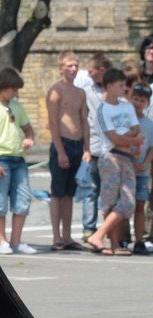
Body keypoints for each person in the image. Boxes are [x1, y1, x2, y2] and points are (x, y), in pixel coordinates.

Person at [0, 67, 37, 255]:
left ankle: (16, 241)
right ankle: (2, 241)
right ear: (2, 87)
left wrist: (29, 138)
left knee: (22, 200)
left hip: (19, 159)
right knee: (0, 200)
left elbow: (28, 128)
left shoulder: (16, 106)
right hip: (0, 158)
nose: (15, 93)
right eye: (13, 89)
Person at [85, 68, 142, 255]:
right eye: (120, 85)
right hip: (110, 157)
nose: (124, 88)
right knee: (110, 202)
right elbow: (113, 138)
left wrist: (127, 138)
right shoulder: (102, 110)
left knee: (127, 202)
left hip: (127, 158)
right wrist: (131, 140)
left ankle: (98, 235)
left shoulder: (126, 105)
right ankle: (113, 244)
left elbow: (136, 128)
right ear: (109, 86)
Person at [46, 51, 91, 251]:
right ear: (61, 68)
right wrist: (60, 151)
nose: (74, 69)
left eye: (76, 65)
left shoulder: (81, 93)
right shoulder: (55, 91)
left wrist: (87, 149)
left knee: (69, 194)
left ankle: (67, 236)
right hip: (61, 143)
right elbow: (53, 123)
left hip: (77, 144)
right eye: (70, 65)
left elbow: (84, 122)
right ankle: (57, 236)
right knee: (57, 192)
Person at [80, 53, 110, 241]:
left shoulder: (114, 90)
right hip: (94, 146)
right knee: (91, 190)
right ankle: (89, 228)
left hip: (112, 148)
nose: (88, 74)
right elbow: (84, 119)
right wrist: (86, 148)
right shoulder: (87, 92)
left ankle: (109, 230)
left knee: (110, 191)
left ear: (102, 70)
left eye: (91, 70)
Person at [129, 81, 153, 254]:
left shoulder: (149, 124)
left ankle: (138, 240)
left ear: (147, 104)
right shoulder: (124, 120)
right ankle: (121, 238)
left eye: (142, 101)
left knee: (140, 205)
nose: (138, 103)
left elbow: (151, 147)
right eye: (135, 99)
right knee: (122, 205)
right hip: (126, 169)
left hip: (142, 170)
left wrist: (145, 163)